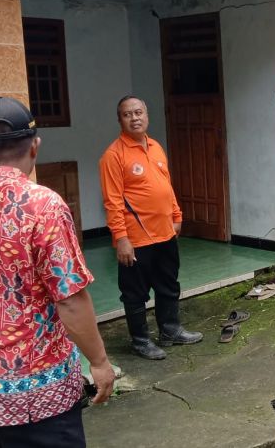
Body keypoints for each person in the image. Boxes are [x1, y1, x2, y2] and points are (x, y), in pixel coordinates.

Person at [0, 97, 114, 447]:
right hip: (42, 399)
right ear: (35, 147)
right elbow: (71, 300)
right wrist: (100, 361)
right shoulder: (44, 206)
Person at [99, 95, 202, 360]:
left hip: (165, 233)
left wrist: (177, 215)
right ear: (119, 119)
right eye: (127, 114)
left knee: (168, 284)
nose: (134, 118)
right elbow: (112, 201)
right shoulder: (113, 156)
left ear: (147, 115)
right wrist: (121, 238)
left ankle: (170, 331)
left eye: (138, 112)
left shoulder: (156, 146)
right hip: (135, 239)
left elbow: (165, 185)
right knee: (135, 293)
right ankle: (141, 341)